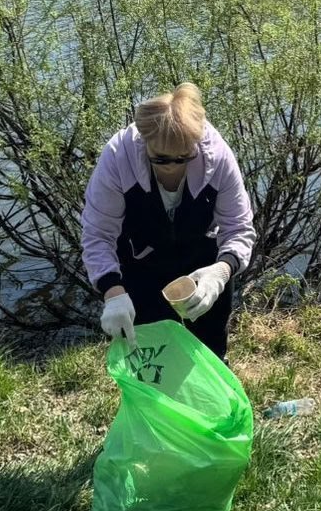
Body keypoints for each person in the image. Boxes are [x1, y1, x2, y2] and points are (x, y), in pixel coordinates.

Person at [82, 83, 256, 359]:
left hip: (202, 267)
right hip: (140, 264)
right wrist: (113, 292)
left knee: (209, 353)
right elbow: (98, 234)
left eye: (184, 158)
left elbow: (238, 226)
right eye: (161, 159)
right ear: (144, 141)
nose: (172, 167)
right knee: (152, 357)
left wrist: (221, 272)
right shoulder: (118, 157)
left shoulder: (218, 156)